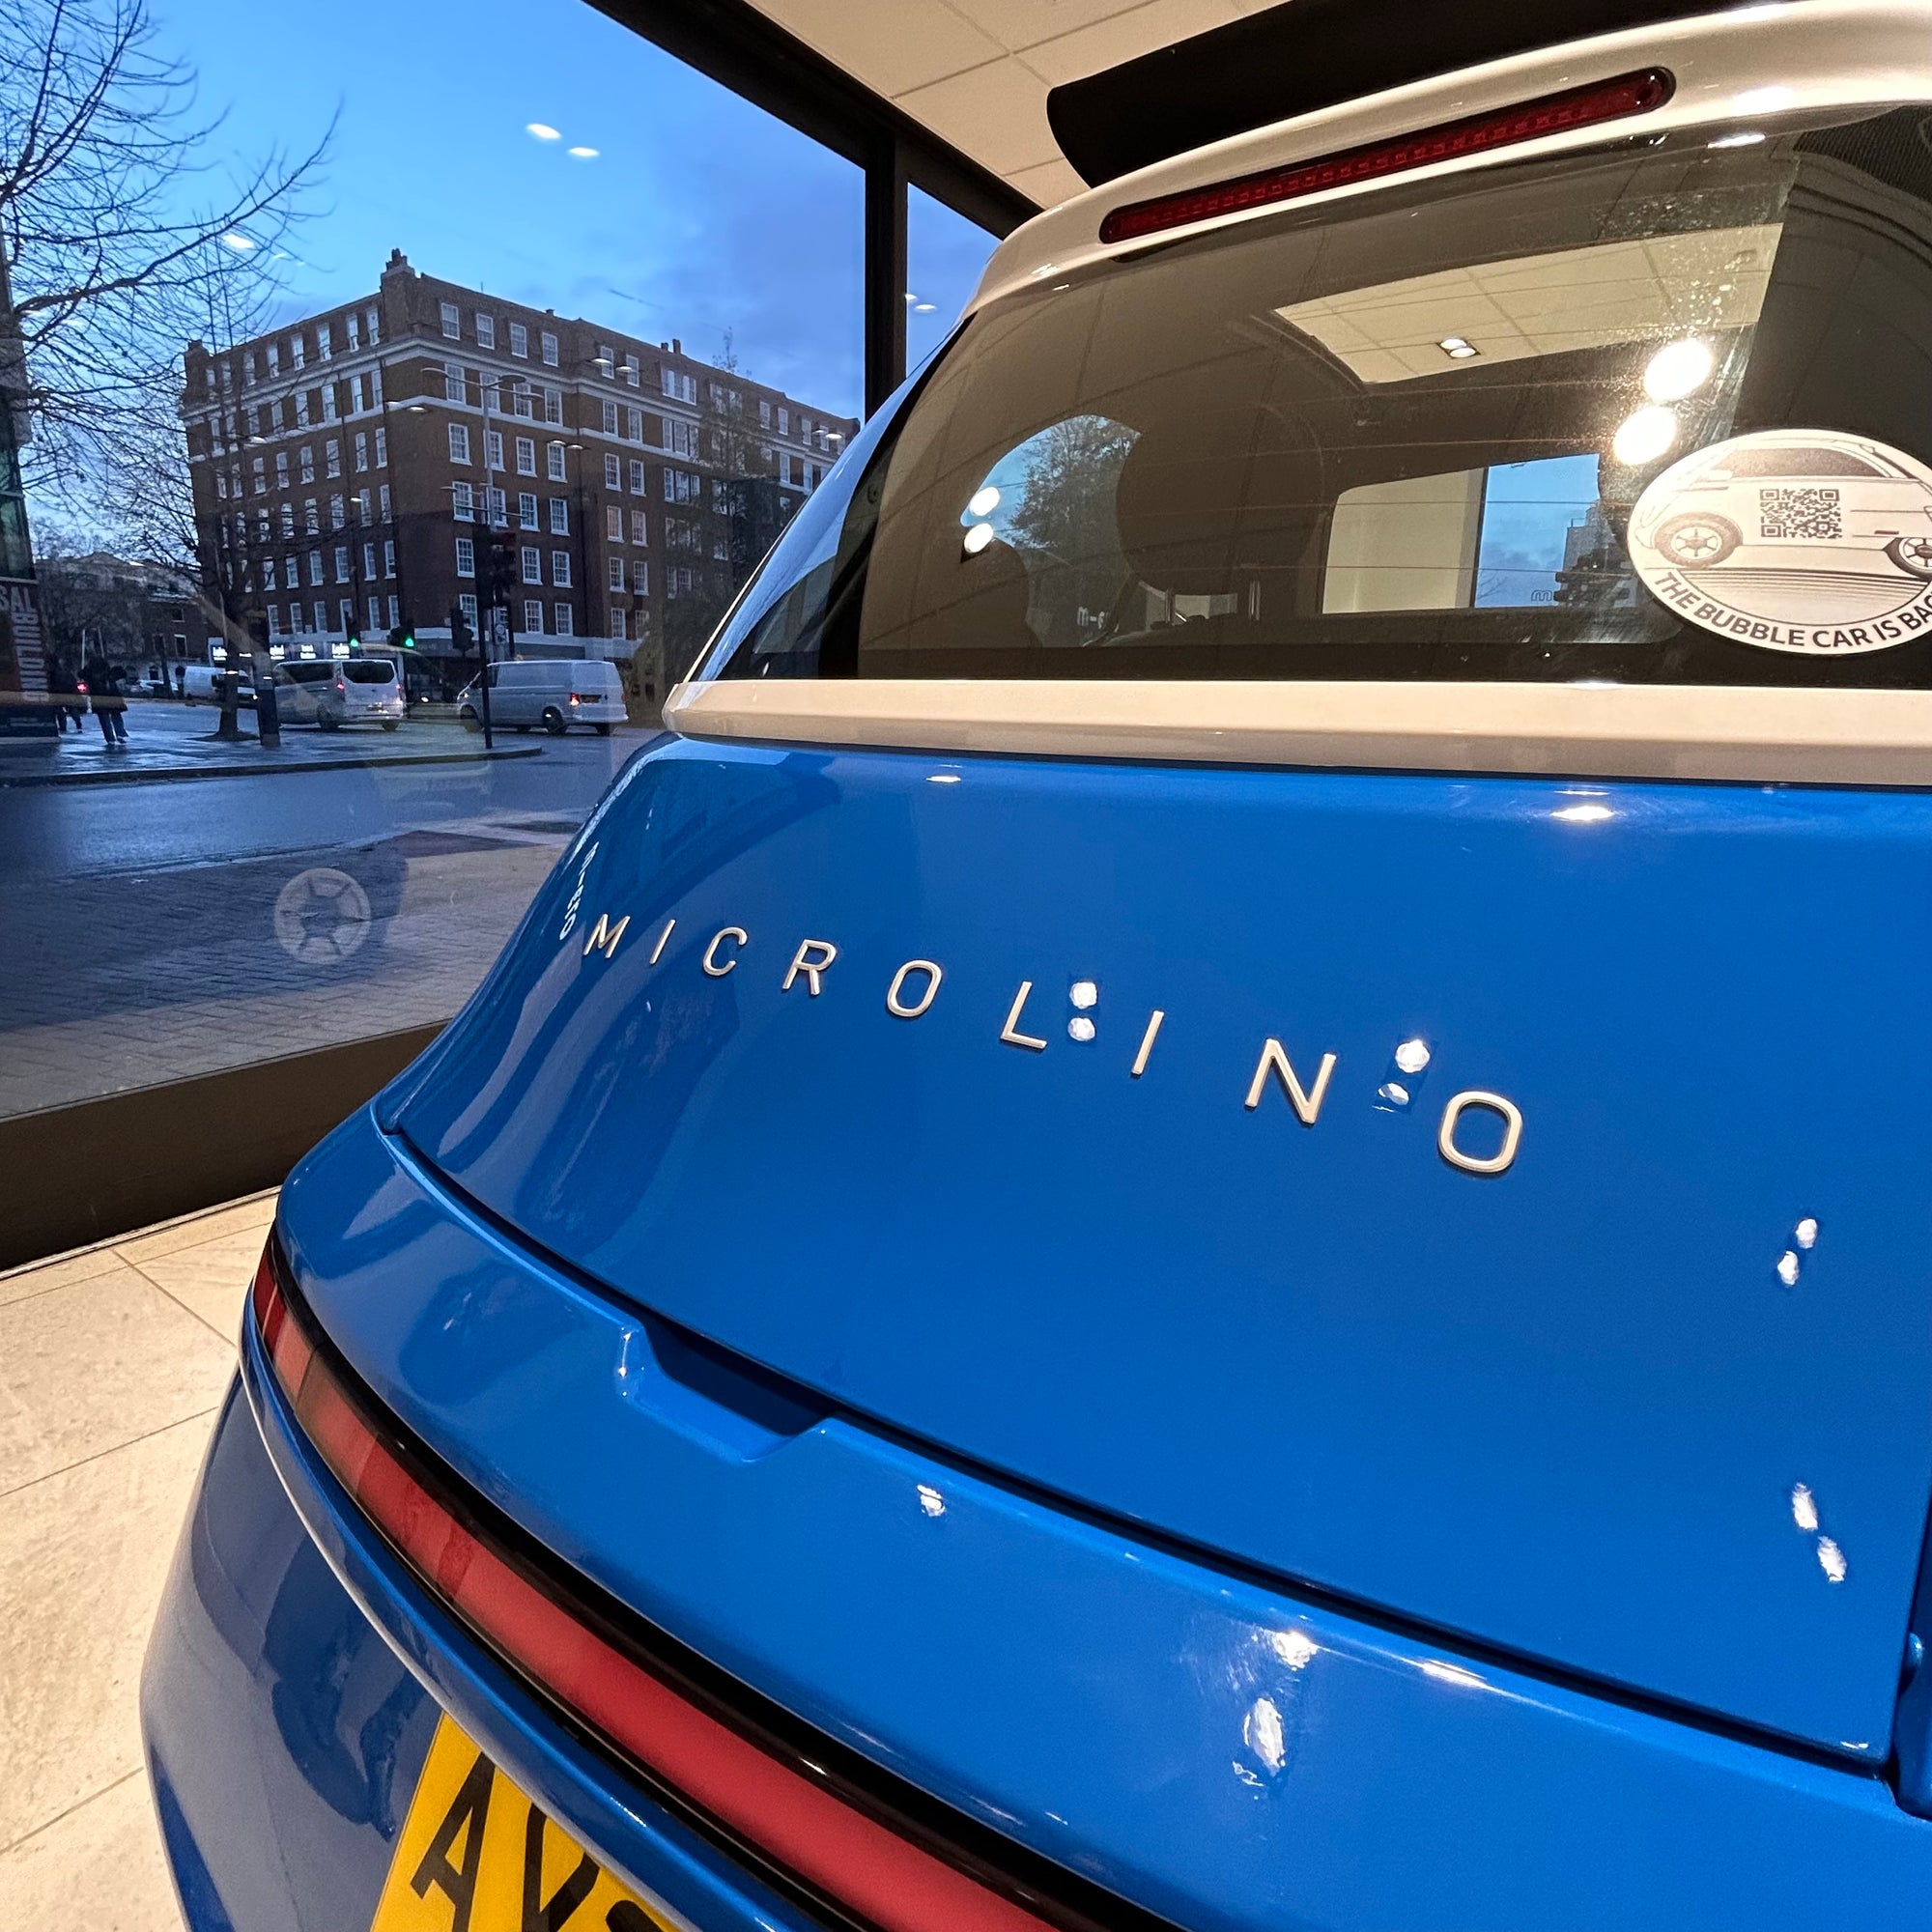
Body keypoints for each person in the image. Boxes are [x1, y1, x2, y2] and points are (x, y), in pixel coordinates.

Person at [79, 648, 128, 745]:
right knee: (115, 714)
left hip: (98, 698)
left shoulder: (90, 672)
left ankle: (110, 738)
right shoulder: (107, 672)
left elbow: (81, 674)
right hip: (112, 696)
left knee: (104, 718)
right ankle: (120, 733)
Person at [45, 654, 83, 732]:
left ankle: (63, 726)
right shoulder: (66, 672)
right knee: (72, 708)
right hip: (68, 692)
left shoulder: (52, 672)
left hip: (57, 692)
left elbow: (50, 683)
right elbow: (73, 683)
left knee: (60, 711)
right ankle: (78, 723)